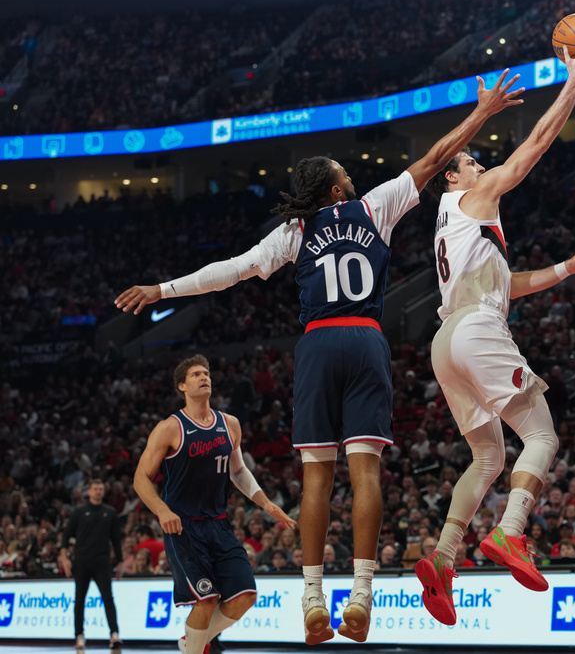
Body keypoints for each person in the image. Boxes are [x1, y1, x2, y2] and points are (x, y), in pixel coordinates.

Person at [114, 72, 525, 645]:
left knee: (316, 477)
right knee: (366, 473)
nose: (353, 180)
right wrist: (481, 113)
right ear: (336, 191)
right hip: (365, 340)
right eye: (345, 177)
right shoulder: (373, 207)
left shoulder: (295, 230)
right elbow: (435, 159)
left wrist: (162, 289)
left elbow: (228, 272)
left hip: (317, 344)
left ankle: (312, 597)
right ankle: (362, 594)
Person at [414, 36, 575, 626]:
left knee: (487, 455)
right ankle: (510, 530)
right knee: (542, 435)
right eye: (472, 162)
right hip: (476, 330)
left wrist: (568, 268)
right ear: (453, 178)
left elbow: (508, 284)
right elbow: (534, 147)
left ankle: (443, 558)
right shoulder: (473, 195)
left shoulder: (452, 224)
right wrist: (573, 83)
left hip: (446, 343)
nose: (481, 165)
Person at [133, 355, 296, 654]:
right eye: (195, 374)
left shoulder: (229, 424)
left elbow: (238, 471)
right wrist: (162, 510)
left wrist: (266, 503)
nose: (203, 377)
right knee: (206, 600)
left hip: (219, 524)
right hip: (184, 527)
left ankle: (191, 642)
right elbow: (140, 478)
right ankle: (194, 646)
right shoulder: (169, 428)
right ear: (182, 386)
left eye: (206, 373)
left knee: (246, 596)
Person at [61, 478, 123, 652]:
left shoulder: (110, 512)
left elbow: (116, 539)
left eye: (101, 489)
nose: (98, 491)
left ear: (104, 491)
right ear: (89, 492)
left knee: (108, 598)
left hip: (102, 562)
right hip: (82, 562)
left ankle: (114, 634)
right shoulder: (79, 512)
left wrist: (120, 561)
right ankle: (79, 635)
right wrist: (64, 558)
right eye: (95, 489)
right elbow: (66, 536)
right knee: (80, 600)